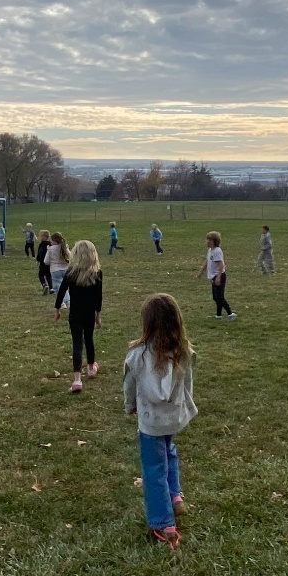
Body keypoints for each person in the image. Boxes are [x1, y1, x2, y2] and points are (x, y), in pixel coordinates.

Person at [123, 293, 197, 551]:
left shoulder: (137, 356)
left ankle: (164, 523)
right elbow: (187, 386)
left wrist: (129, 405)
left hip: (150, 421)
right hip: (173, 418)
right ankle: (175, 495)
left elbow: (129, 385)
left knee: (153, 468)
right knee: (169, 452)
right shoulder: (184, 351)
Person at [55, 240, 103, 393]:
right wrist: (98, 314)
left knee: (77, 343)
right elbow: (98, 297)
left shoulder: (71, 272)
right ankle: (90, 368)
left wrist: (57, 308)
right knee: (89, 339)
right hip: (89, 314)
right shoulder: (97, 273)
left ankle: (77, 380)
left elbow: (61, 291)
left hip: (75, 314)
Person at [196, 231, 236, 320]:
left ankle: (230, 313)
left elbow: (221, 265)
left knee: (220, 297)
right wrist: (200, 272)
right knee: (215, 297)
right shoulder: (210, 250)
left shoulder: (217, 251)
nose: (207, 242)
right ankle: (219, 315)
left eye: (210, 240)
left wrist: (218, 277)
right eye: (207, 240)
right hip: (213, 276)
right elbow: (207, 262)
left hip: (219, 276)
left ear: (215, 241)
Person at [45, 232, 71, 303]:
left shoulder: (50, 249)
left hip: (55, 270)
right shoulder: (64, 247)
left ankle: (67, 300)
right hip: (65, 269)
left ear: (54, 240)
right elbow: (70, 257)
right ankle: (60, 302)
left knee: (60, 285)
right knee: (56, 287)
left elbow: (46, 261)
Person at [36, 229, 53, 294]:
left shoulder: (42, 244)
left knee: (41, 275)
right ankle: (51, 288)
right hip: (49, 263)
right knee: (48, 275)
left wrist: (38, 260)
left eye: (41, 236)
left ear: (44, 237)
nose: (40, 237)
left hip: (43, 263)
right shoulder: (50, 244)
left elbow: (40, 253)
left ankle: (44, 285)